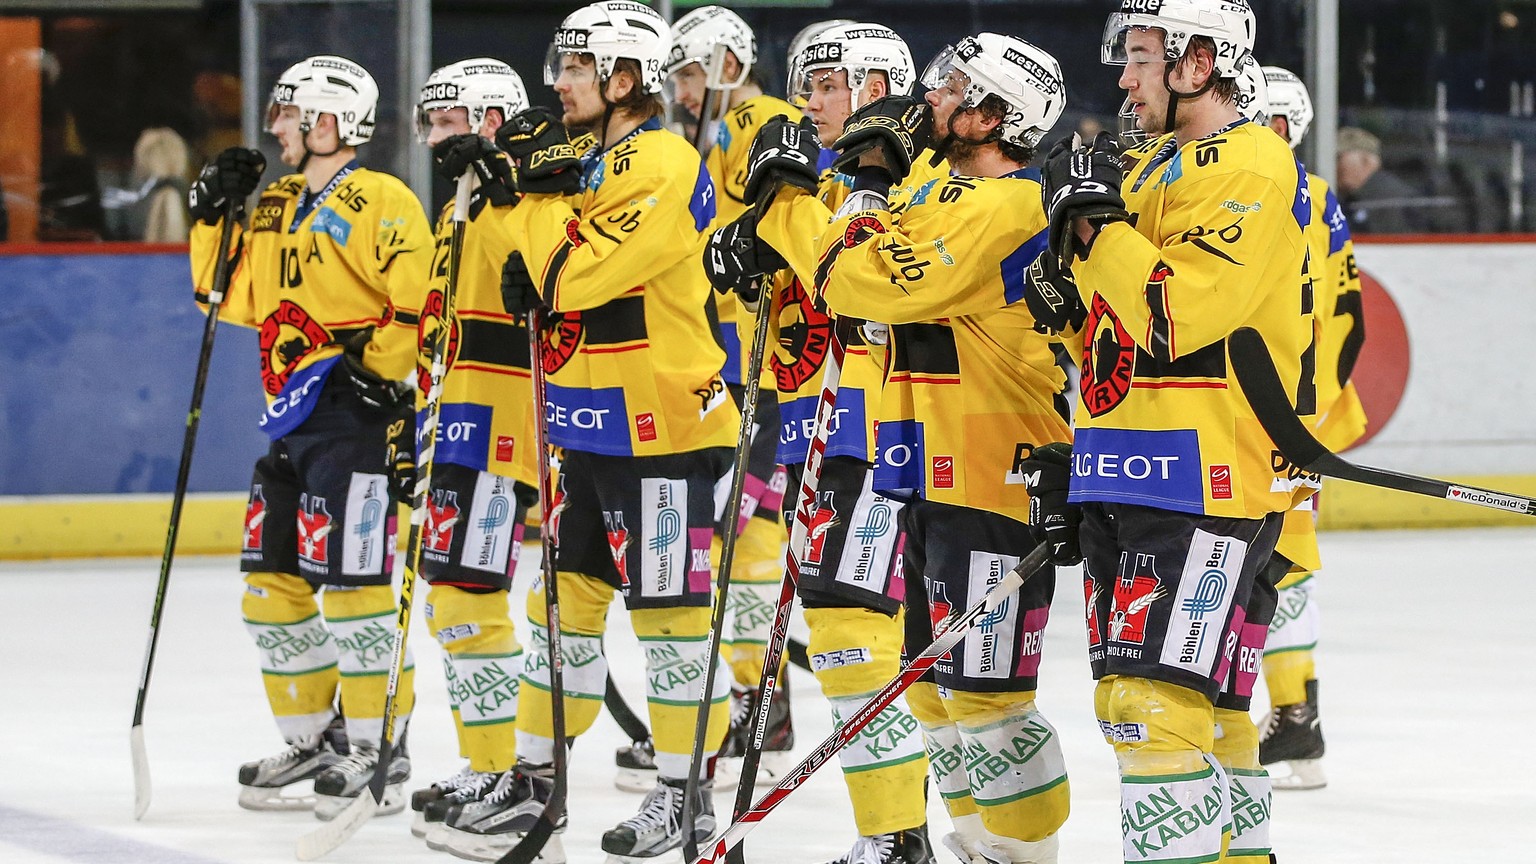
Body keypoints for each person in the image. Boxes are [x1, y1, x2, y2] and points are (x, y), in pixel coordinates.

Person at [444, 3, 738, 859]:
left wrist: (526, 195)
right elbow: (519, 272)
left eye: (576, 68)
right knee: (562, 614)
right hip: (586, 424)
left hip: (665, 432)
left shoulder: (660, 159)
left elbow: (571, 274)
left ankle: (686, 796)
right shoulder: (594, 158)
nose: (557, 82)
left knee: (672, 624)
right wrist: (509, 186)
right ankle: (535, 783)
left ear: (623, 78)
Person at [1024, 1, 1312, 861]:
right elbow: (1117, 343)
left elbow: (1175, 314)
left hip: (1203, 479)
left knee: (1155, 714)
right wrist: (1066, 315)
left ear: (1197, 64)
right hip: (1132, 471)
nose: (1123, 78)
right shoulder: (1151, 169)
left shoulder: (1251, 165)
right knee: (1181, 710)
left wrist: (1095, 229)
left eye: (1142, 58)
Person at [808, 34, 1076, 864]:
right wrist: (873, 185)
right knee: (933, 694)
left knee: (989, 702)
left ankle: (1023, 857)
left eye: (956, 86)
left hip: (993, 472)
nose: (932, 96)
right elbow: (850, 268)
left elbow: (859, 278)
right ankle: (973, 845)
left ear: (1000, 114)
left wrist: (859, 189)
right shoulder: (950, 195)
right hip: (925, 467)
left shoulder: (1008, 207)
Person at [705, 20, 939, 864]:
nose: (810, 101)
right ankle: (898, 836)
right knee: (851, 637)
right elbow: (790, 334)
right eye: (807, 84)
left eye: (829, 83)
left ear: (877, 85)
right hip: (822, 433)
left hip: (885, 439)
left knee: (854, 635)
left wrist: (785, 211)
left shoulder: (912, 177)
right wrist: (745, 262)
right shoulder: (832, 182)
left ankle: (899, 839)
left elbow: (870, 296)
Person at [187, 55, 430, 819]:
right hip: (289, 420)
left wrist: (379, 369)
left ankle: (377, 752)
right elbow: (224, 299)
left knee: (357, 591)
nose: (279, 127)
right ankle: (317, 737)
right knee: (271, 585)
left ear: (328, 121)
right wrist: (211, 215)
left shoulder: (385, 199)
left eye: (290, 114)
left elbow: (421, 303)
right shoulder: (277, 202)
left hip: (357, 420)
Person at [612, 3, 801, 791]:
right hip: (742, 363)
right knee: (742, 539)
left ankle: (753, 711)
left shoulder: (758, 124)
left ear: (728, 61)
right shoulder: (721, 132)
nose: (683, 91)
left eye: (689, 73)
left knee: (740, 537)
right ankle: (764, 706)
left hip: (762, 368)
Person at [394, 58, 540, 849]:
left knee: (468, 597)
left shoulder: (514, 199)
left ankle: (505, 766)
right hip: (454, 422)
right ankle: (483, 757)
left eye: (450, 121)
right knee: (449, 597)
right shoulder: (454, 208)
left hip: (500, 428)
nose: (435, 137)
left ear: (489, 121)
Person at [1256, 65, 1369, 792]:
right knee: (1274, 560)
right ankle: (1293, 720)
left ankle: (1296, 719)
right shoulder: (1319, 198)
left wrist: (1296, 419)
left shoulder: (1269, 197)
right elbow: (1350, 319)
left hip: (1274, 419)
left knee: (1279, 563)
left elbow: (1341, 319)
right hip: (1289, 414)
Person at [1335, 126, 1429, 234]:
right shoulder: (1355, 198)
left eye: (1338, 158)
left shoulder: (1385, 201)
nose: (1334, 166)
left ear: (1366, 161)